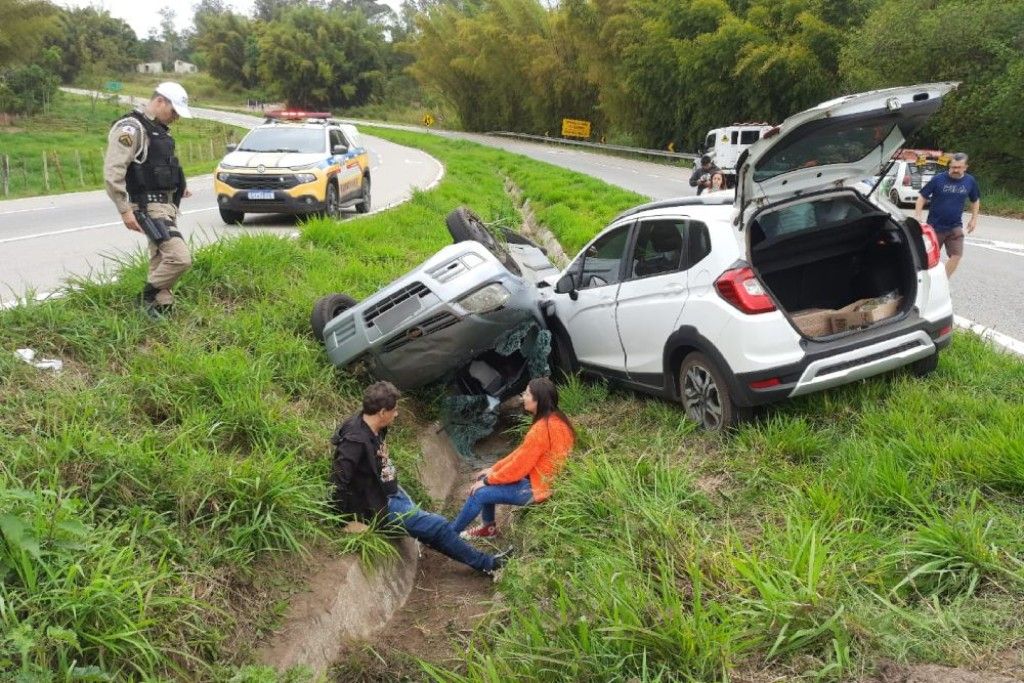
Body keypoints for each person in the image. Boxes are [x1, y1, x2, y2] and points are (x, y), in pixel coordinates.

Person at [330, 380, 509, 574]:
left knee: (433, 528)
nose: (397, 414)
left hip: (387, 492)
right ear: (382, 412)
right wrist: (345, 522)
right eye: (394, 410)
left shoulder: (372, 424)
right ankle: (489, 565)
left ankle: (447, 543)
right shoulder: (355, 441)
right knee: (438, 526)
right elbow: (337, 482)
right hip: (376, 506)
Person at [104, 82, 194, 319]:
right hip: (147, 207)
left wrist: (178, 187)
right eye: (173, 111)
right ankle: (145, 296)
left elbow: (160, 168)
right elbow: (113, 171)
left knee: (160, 258)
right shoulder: (131, 129)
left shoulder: (159, 130)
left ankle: (160, 310)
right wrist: (124, 209)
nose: (176, 117)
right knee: (179, 257)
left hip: (166, 205)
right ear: (160, 101)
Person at [450, 377, 575, 539]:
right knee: (485, 477)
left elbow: (518, 469)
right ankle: (488, 529)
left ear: (538, 400)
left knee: (479, 493)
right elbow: (520, 454)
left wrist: (488, 481)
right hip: (544, 482)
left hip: (538, 489)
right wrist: (493, 470)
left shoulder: (541, 430)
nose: (523, 397)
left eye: (527, 394)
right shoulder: (557, 420)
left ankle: (447, 535)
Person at [915, 152, 980, 278]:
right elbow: (922, 197)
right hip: (935, 227)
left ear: (965, 167)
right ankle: (922, 282)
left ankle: (943, 281)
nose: (955, 170)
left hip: (955, 226)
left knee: (957, 256)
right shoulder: (938, 179)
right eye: (953, 167)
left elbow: (975, 200)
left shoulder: (970, 181)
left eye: (958, 167)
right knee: (927, 260)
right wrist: (918, 215)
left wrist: (974, 219)